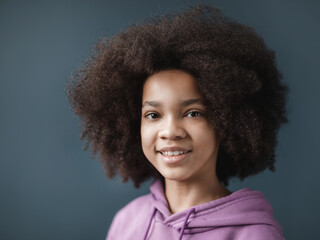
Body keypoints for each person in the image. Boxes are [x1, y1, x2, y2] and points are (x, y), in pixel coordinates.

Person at [67, 3, 288, 240]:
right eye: (153, 115)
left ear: (227, 121)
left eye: (193, 113)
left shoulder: (255, 235)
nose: (170, 131)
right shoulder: (127, 220)